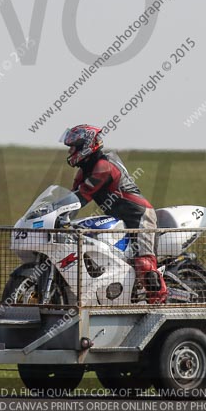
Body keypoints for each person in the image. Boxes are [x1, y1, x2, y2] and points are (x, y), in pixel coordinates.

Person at [60, 124, 167, 304]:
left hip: (139, 216)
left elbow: (84, 194)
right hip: (119, 220)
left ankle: (160, 302)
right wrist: (58, 214)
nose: (70, 151)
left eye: (73, 147)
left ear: (85, 145)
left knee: (143, 264)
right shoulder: (84, 170)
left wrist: (63, 215)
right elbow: (73, 199)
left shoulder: (104, 166)